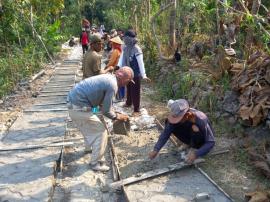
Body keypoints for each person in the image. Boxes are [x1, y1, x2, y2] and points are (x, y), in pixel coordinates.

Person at [67, 66, 134, 172]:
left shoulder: (108, 77)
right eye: (128, 81)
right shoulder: (113, 85)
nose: (127, 84)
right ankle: (95, 163)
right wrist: (117, 117)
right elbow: (106, 111)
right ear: (124, 79)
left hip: (78, 104)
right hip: (80, 109)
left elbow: (102, 107)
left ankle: (88, 147)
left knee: (97, 117)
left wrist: (114, 113)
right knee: (101, 131)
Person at [149, 99, 215, 164]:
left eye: (178, 119)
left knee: (195, 128)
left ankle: (195, 147)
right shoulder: (174, 119)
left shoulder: (200, 119)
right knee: (171, 125)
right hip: (189, 136)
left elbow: (210, 142)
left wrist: (197, 154)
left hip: (200, 139)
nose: (175, 120)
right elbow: (165, 133)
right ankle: (188, 143)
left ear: (186, 115)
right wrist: (156, 149)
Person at [118, 29, 150, 116]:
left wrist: (144, 75)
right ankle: (128, 102)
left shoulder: (137, 49)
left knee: (135, 91)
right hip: (127, 72)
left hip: (135, 73)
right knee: (128, 87)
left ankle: (136, 109)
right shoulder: (125, 47)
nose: (124, 39)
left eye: (125, 37)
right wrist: (119, 67)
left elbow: (141, 62)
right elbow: (122, 58)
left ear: (129, 38)